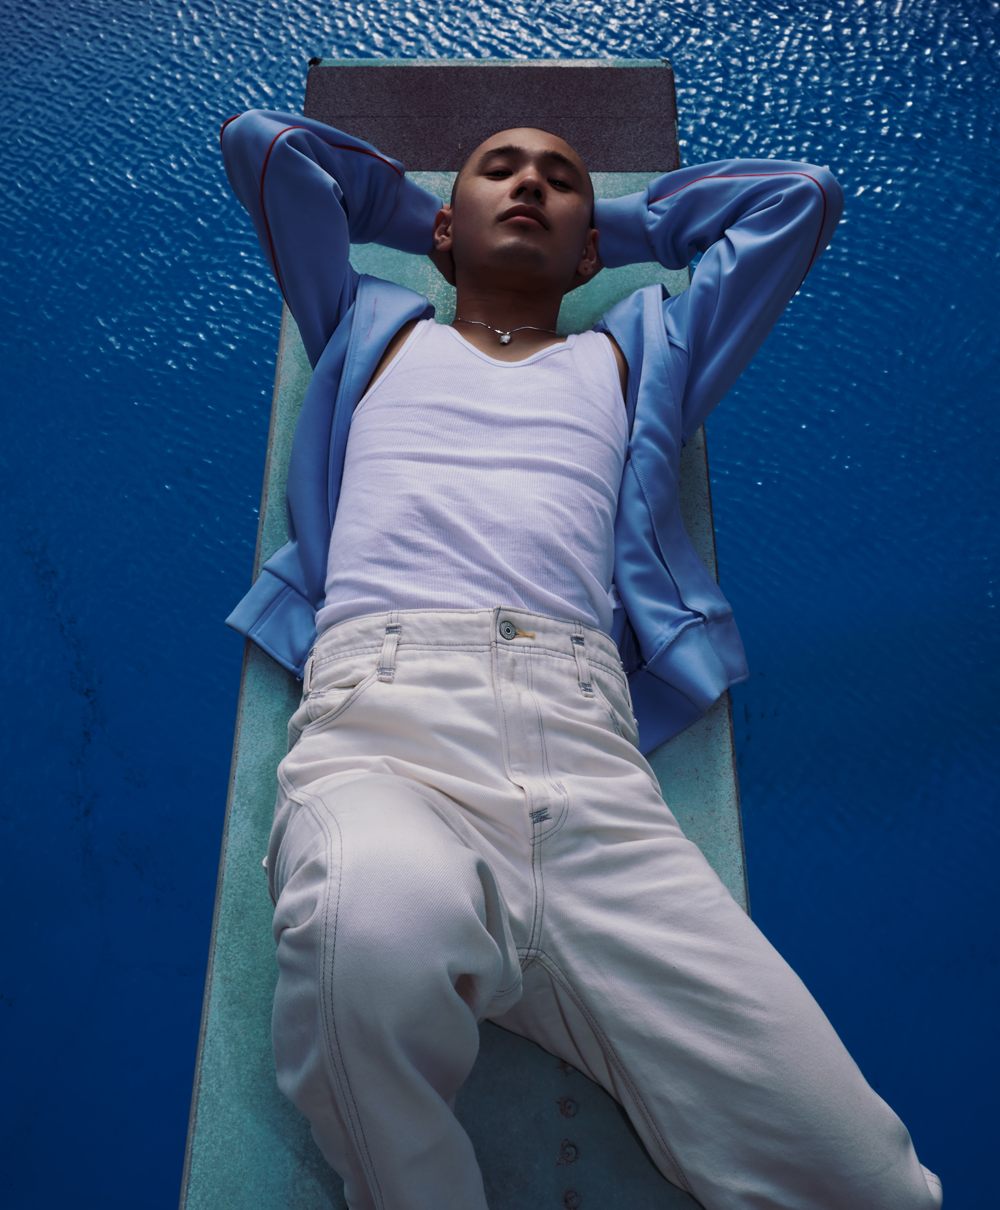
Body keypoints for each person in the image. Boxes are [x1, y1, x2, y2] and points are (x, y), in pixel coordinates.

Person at [220, 109, 941, 1210]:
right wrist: (430, 222)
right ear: (444, 231)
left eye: (560, 180)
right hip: (388, 736)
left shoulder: (638, 356)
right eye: (498, 171)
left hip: (588, 778)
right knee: (365, 928)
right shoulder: (366, 326)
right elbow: (267, 149)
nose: (530, 185)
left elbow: (795, 200)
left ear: (594, 250)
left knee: (864, 1178)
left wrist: (605, 229)